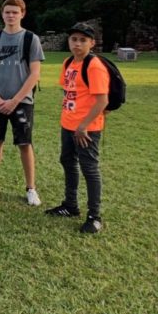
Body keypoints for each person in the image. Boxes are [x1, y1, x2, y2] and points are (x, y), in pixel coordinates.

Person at [46, 22, 110, 234]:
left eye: (83, 40)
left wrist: (83, 126)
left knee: (89, 168)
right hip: (69, 124)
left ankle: (94, 215)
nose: (77, 44)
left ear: (92, 43)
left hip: (86, 128)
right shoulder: (68, 63)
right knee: (67, 161)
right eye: (74, 39)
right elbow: (69, 92)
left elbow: (102, 101)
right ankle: (70, 205)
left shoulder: (94, 65)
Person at [0, 0, 44, 205]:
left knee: (25, 143)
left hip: (22, 100)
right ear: (2, 14)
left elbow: (34, 74)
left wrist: (15, 100)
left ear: (22, 14)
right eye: (7, 12)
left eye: (15, 12)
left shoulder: (30, 39)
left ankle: (31, 188)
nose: (10, 16)